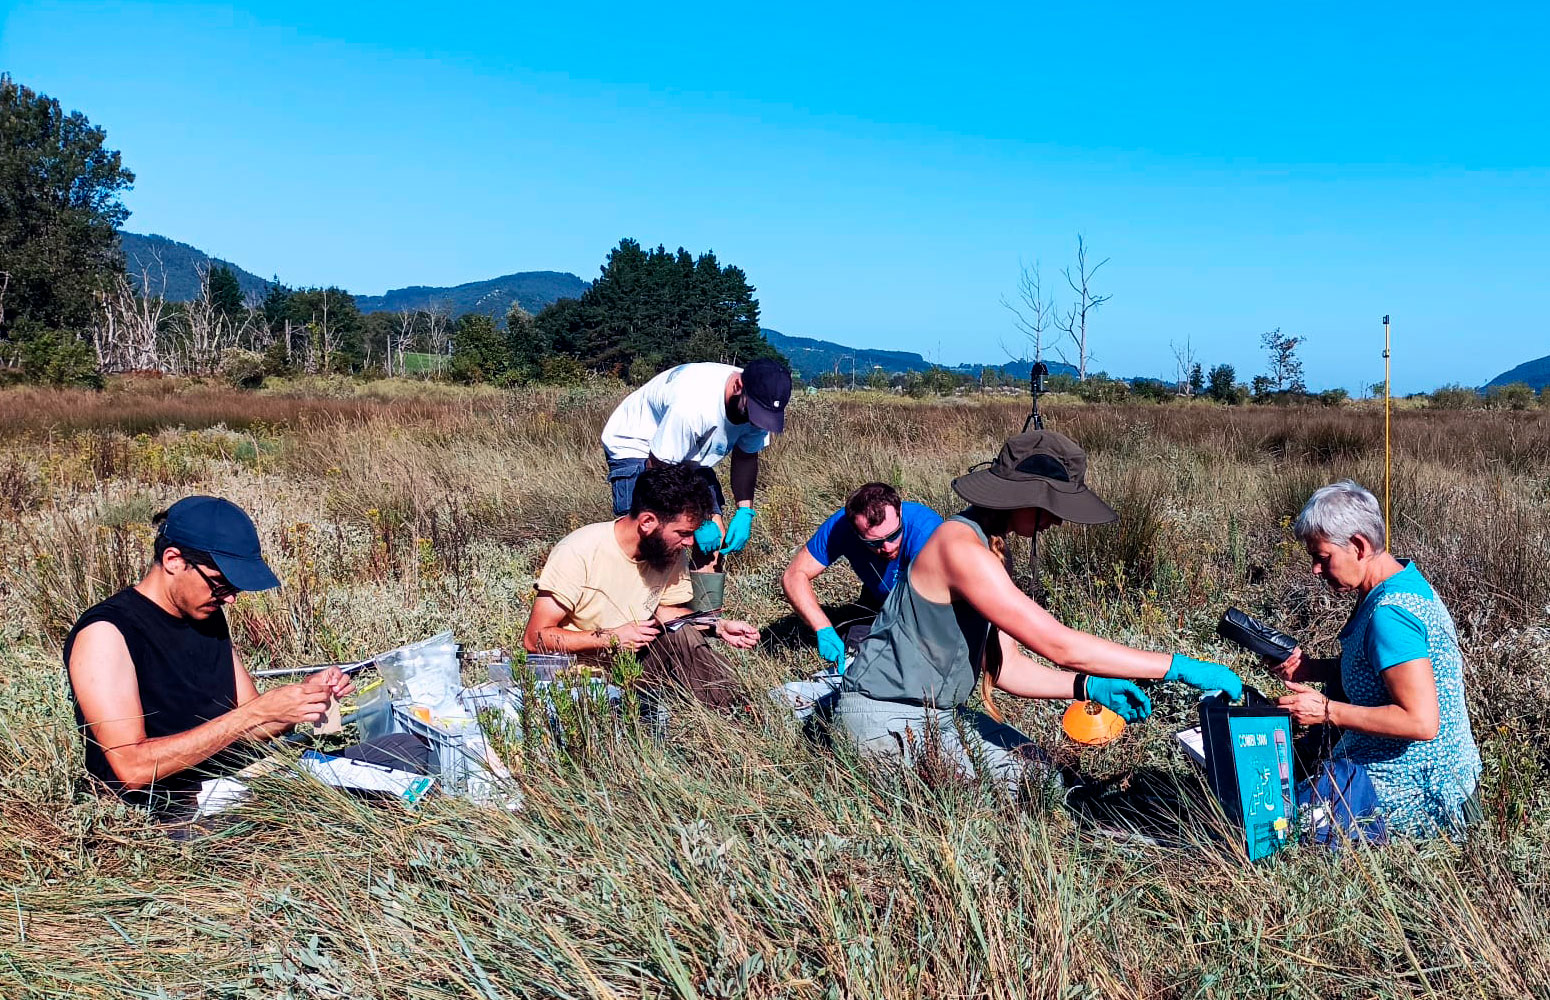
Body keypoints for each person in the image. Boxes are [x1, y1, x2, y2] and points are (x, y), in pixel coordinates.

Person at [836, 430, 1244, 794]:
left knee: (1051, 775)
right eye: (1050, 506)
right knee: (1031, 792)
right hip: (883, 719)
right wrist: (1178, 666)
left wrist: (1089, 688)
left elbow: (1008, 668)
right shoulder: (961, 549)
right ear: (1021, 499)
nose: (1058, 521)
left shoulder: (990, 547)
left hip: (938, 714)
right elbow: (1059, 645)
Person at [65, 496, 427, 817]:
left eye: (233, 589)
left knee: (412, 749)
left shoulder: (205, 614)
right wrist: (253, 714)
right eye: (221, 584)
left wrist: (301, 701)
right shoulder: (107, 634)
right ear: (173, 560)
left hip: (244, 778)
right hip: (174, 808)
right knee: (340, 815)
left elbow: (255, 729)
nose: (230, 599)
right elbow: (131, 767)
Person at [1271, 480, 1481, 838]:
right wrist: (1313, 669)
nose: (1315, 571)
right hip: (1443, 780)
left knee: (1275, 826)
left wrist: (1327, 711)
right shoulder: (1400, 580)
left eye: (1322, 558)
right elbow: (1383, 672)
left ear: (1357, 545)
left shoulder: (1390, 614)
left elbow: (1421, 721)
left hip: (1419, 792)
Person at [523, 462, 762, 708]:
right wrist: (611, 638)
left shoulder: (668, 550)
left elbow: (667, 613)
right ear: (647, 521)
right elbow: (534, 637)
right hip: (578, 679)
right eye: (683, 533)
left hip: (634, 668)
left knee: (682, 634)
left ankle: (734, 712)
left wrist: (717, 626)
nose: (691, 542)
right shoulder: (579, 551)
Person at [600, 358, 792, 558]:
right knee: (651, 535)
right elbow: (657, 472)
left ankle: (700, 588)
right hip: (640, 446)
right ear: (738, 386)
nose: (755, 421)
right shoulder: (693, 405)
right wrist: (699, 520)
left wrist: (745, 512)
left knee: (714, 540)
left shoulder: (762, 399)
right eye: (752, 412)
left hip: (690, 452)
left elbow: (746, 457)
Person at [780, 482, 943, 672]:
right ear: (855, 532)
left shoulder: (926, 530)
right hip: (878, 598)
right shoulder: (841, 527)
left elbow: (934, 606)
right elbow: (793, 575)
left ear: (900, 512)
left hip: (928, 603)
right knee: (856, 657)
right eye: (875, 542)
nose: (888, 547)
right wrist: (823, 628)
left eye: (894, 535)